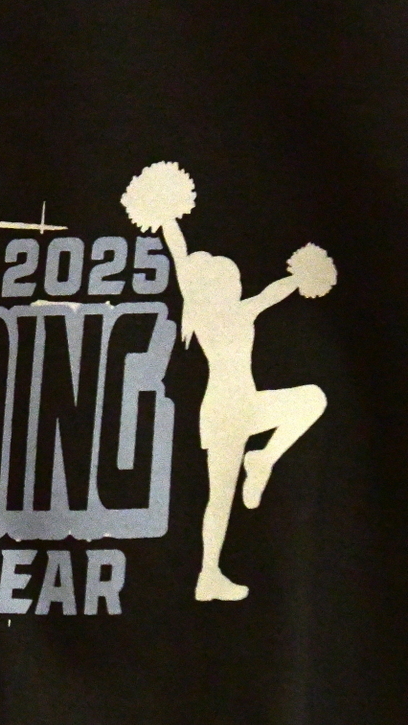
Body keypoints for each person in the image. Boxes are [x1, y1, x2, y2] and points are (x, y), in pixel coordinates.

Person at [122, 162, 334, 601]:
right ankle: (208, 574)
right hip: (225, 412)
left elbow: (269, 291)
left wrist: (299, 277)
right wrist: (167, 216)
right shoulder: (213, 315)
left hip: (239, 406)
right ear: (216, 285)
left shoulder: (233, 312)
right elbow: (184, 257)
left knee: (312, 399)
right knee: (220, 497)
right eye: (229, 276)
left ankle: (263, 461)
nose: (236, 281)